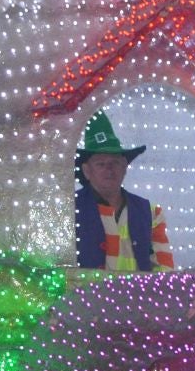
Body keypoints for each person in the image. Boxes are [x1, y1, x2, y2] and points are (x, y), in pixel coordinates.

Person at [74, 112, 173, 272]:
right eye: (101, 164)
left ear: (125, 167)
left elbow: (165, 270)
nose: (109, 169)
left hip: (140, 296)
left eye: (115, 163)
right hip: (89, 296)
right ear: (86, 171)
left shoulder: (151, 212)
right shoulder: (70, 210)